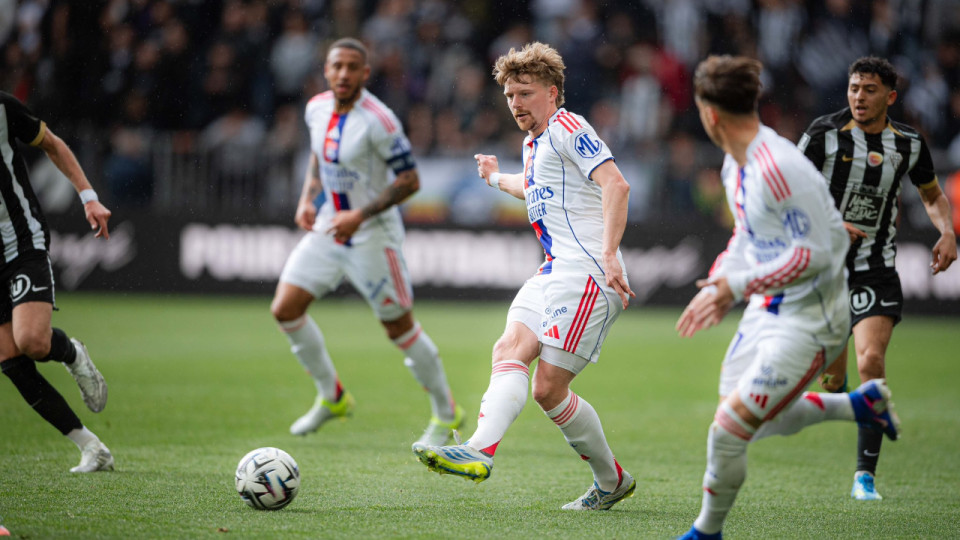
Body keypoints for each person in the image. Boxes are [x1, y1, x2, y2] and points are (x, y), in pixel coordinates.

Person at [675, 56, 900, 539]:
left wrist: (737, 287)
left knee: (729, 428)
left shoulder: (778, 166)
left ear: (709, 114)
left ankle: (705, 532)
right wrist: (721, 281)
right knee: (749, 419)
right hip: (768, 308)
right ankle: (859, 404)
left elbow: (820, 252)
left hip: (812, 317)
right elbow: (747, 239)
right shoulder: (736, 166)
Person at [412, 42, 637, 511]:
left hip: (589, 273)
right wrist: (495, 178)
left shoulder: (568, 126)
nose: (515, 103)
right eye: (510, 95)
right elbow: (532, 185)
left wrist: (611, 254)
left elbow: (615, 183)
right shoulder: (535, 143)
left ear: (552, 93)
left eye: (525, 93)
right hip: (554, 271)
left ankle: (610, 480)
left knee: (548, 388)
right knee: (508, 348)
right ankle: (478, 449)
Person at [271, 38, 463, 445]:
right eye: (336, 66)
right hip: (329, 227)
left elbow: (411, 181)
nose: (343, 74)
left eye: (352, 67)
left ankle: (447, 415)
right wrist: (308, 196)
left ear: (365, 73)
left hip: (374, 236)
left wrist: (359, 215)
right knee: (286, 309)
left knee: (399, 329)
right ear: (326, 69)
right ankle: (332, 396)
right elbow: (317, 156)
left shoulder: (380, 120)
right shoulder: (316, 108)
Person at [798, 56, 957, 500]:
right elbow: (788, 192)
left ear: (890, 96)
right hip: (823, 269)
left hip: (876, 268)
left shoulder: (907, 143)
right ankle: (845, 396)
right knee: (832, 381)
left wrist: (947, 231)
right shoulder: (822, 134)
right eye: (853, 88)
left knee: (871, 361)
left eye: (869, 90)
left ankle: (864, 476)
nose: (859, 97)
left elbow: (932, 194)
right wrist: (830, 225)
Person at [0, 91, 114, 473]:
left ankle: (71, 353)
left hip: (21, 239)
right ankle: (91, 447)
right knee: (9, 357)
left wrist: (89, 197)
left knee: (32, 341)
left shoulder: (2, 107)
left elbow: (52, 143)